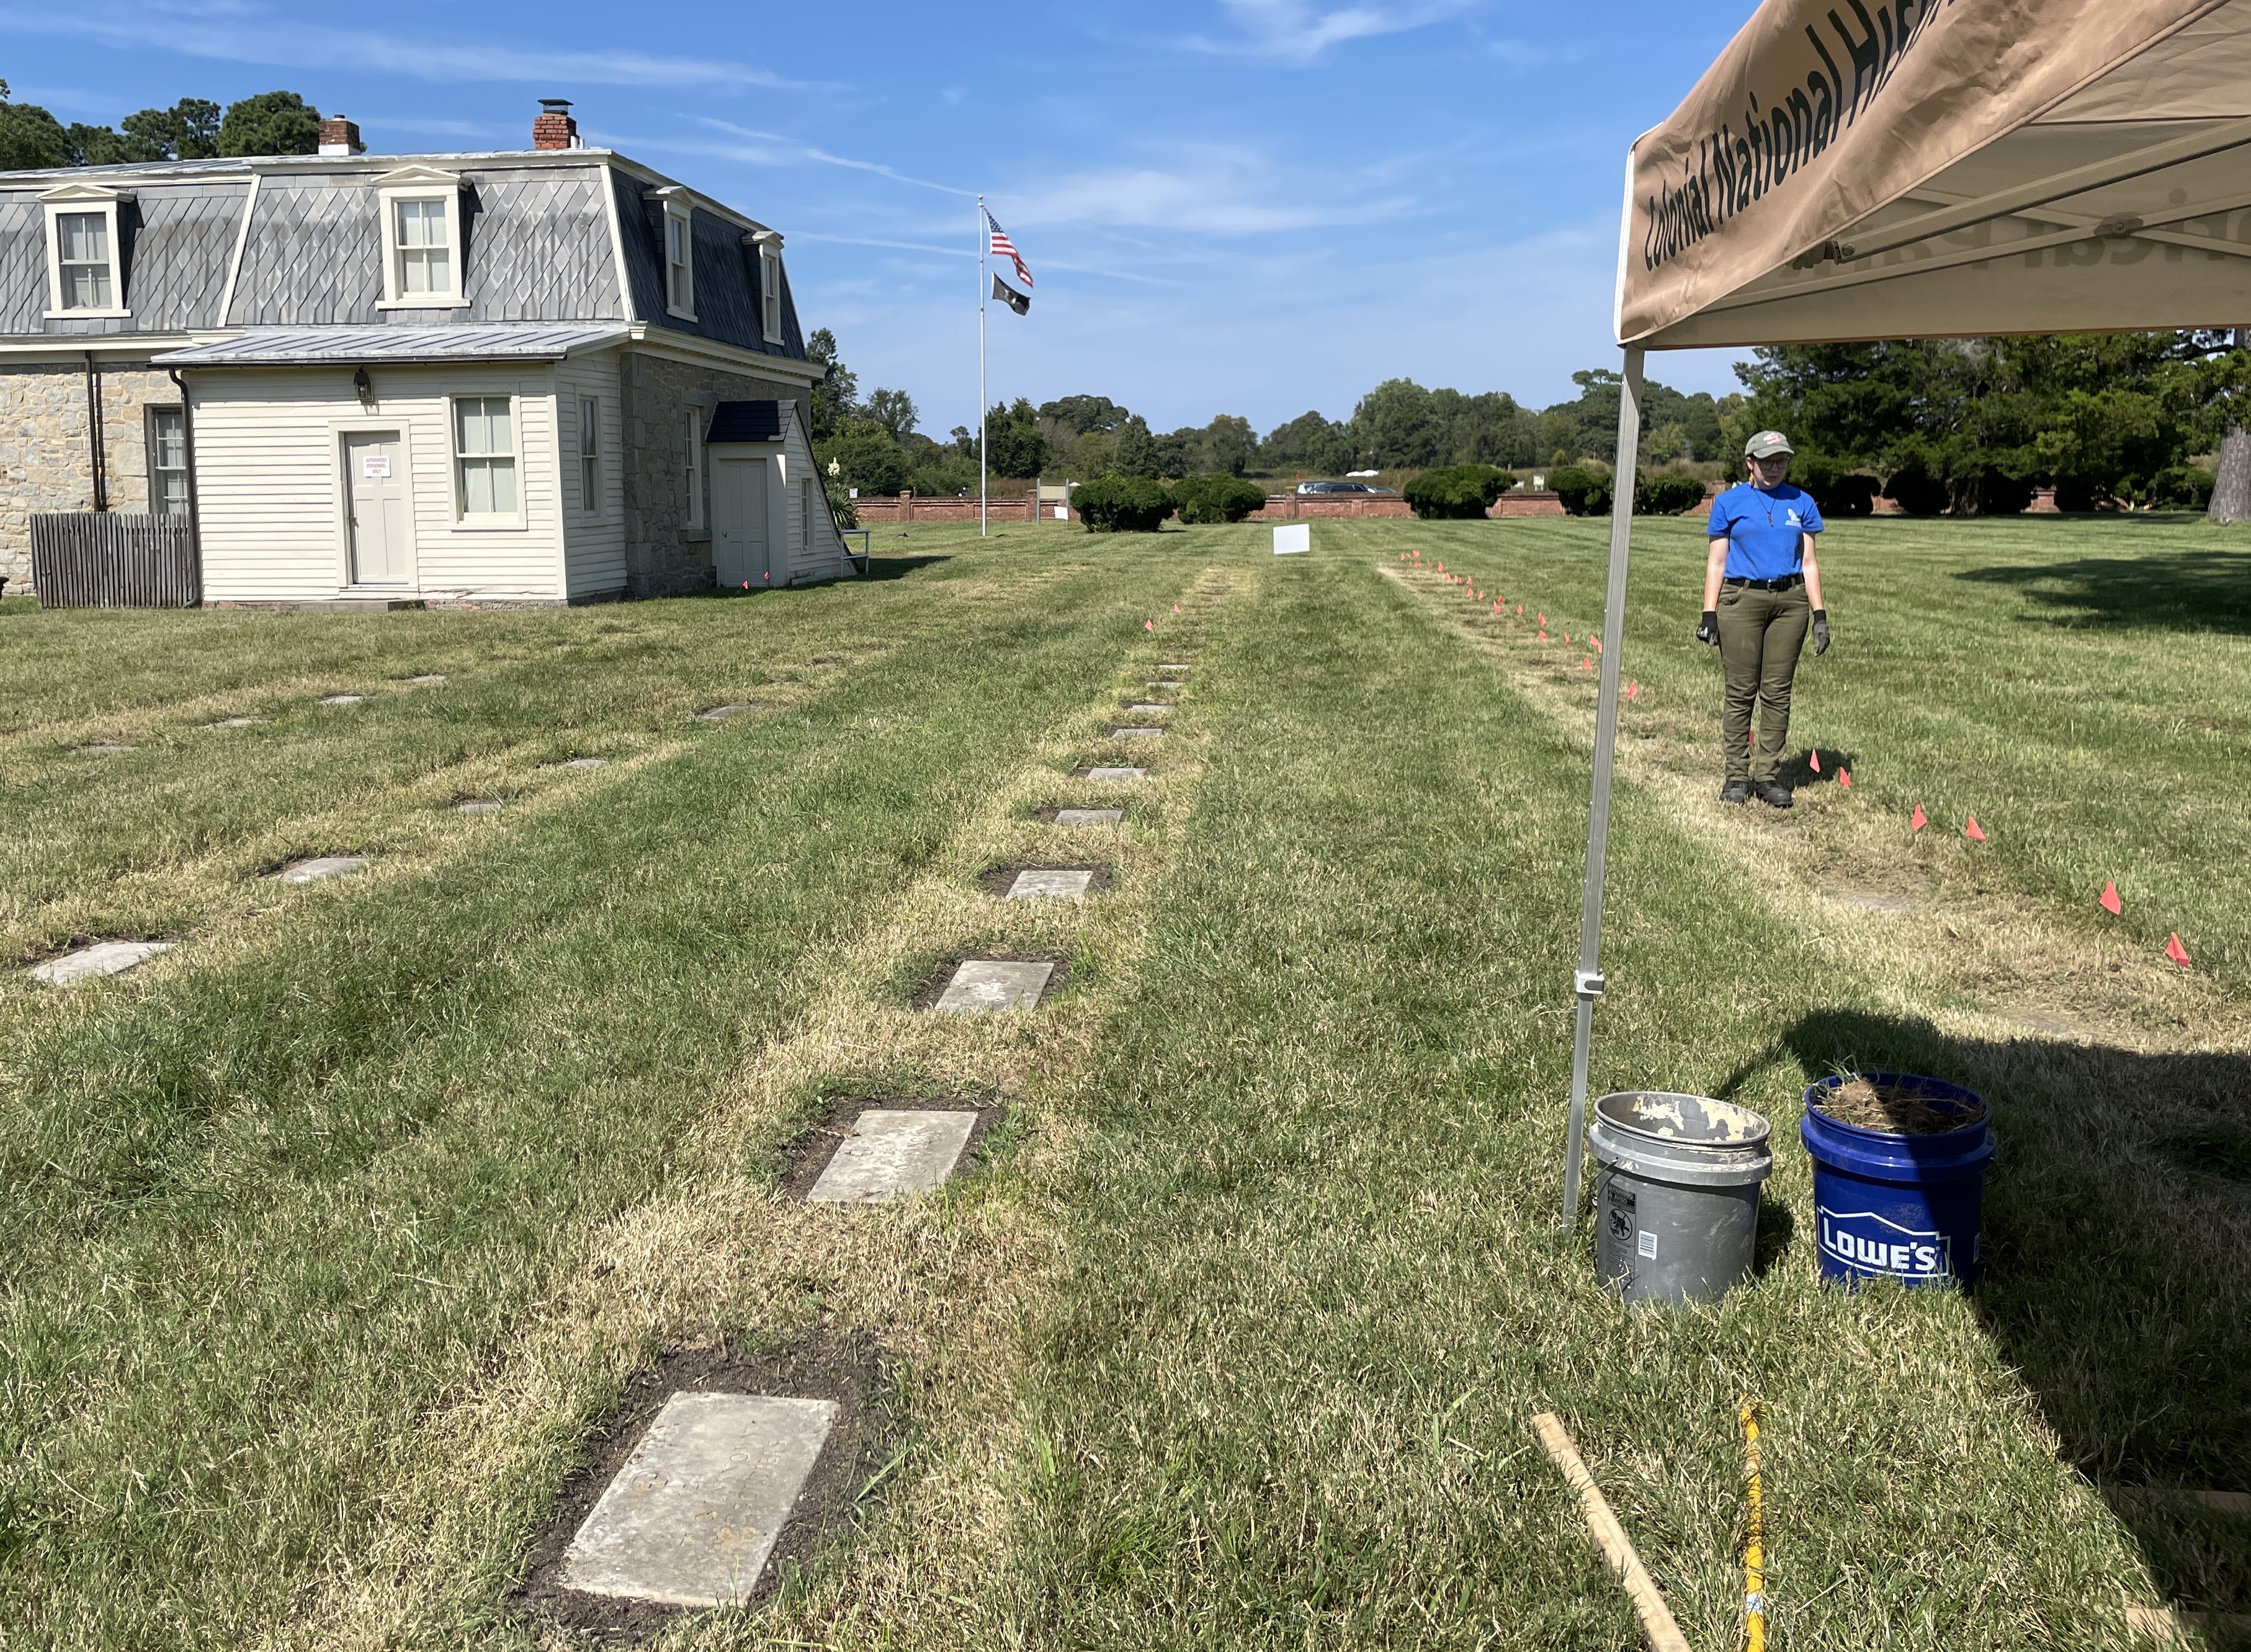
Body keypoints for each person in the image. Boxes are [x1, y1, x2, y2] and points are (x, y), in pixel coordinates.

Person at [1696, 431, 1830, 808]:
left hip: (1790, 603)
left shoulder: (1801, 502)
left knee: (1777, 692)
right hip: (1742, 600)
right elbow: (1717, 562)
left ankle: (1768, 775)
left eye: (1782, 460)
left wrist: (1819, 614)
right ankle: (1736, 776)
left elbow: (1809, 563)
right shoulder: (1728, 503)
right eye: (1768, 460)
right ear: (1749, 462)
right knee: (1740, 692)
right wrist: (1710, 613)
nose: (1775, 467)